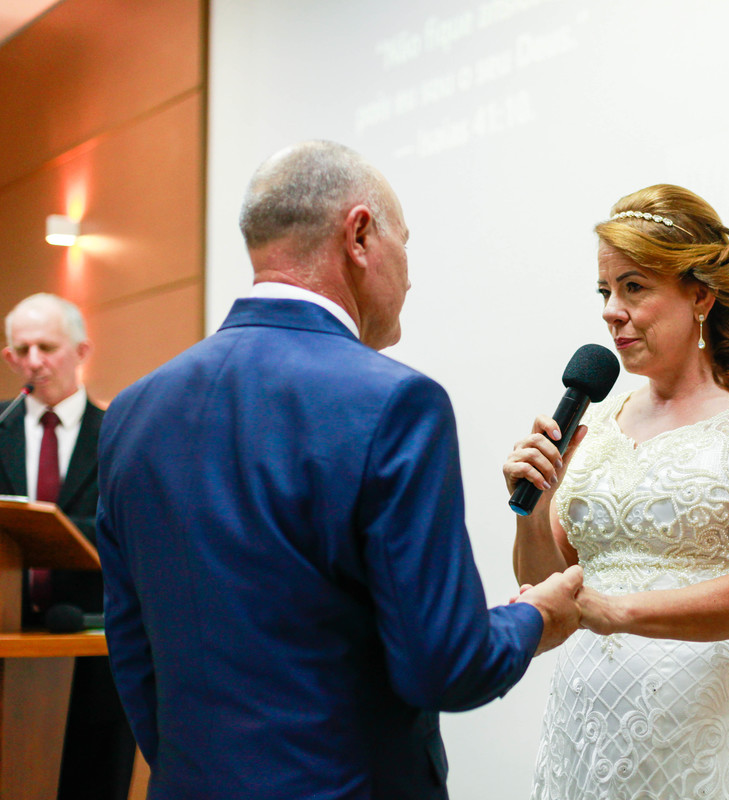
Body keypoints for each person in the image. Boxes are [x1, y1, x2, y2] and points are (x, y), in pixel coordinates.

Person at [96, 140, 582, 800]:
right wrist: (537, 617)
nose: (409, 275)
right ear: (359, 236)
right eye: (404, 242)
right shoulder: (396, 403)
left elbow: (132, 653)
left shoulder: (132, 412)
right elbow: (445, 665)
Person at [504, 184, 729, 799]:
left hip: (700, 739)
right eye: (604, 290)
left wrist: (617, 612)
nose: (610, 311)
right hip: (584, 732)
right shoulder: (597, 424)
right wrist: (532, 510)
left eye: (633, 287)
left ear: (700, 295)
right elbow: (548, 588)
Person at [0, 293, 136, 800]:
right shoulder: (1, 426)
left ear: (81, 351)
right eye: (22, 350)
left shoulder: (121, 434)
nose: (34, 361)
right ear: (10, 358)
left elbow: (132, 528)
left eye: (47, 347)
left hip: (93, 643)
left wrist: (54, 530)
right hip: (8, 643)